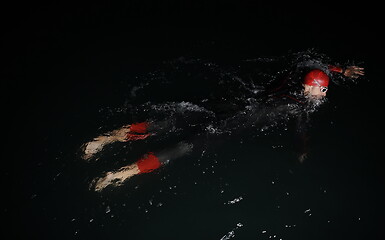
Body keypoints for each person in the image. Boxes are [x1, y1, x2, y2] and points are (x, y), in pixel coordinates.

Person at [82, 53, 364, 191]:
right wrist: (302, 148)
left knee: (171, 120)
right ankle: (119, 174)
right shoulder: (299, 107)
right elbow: (301, 127)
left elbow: (318, 67)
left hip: (235, 102)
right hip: (238, 121)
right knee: (186, 146)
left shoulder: (294, 74)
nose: (324, 93)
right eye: (323, 89)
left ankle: (102, 141)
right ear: (314, 90)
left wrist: (340, 69)